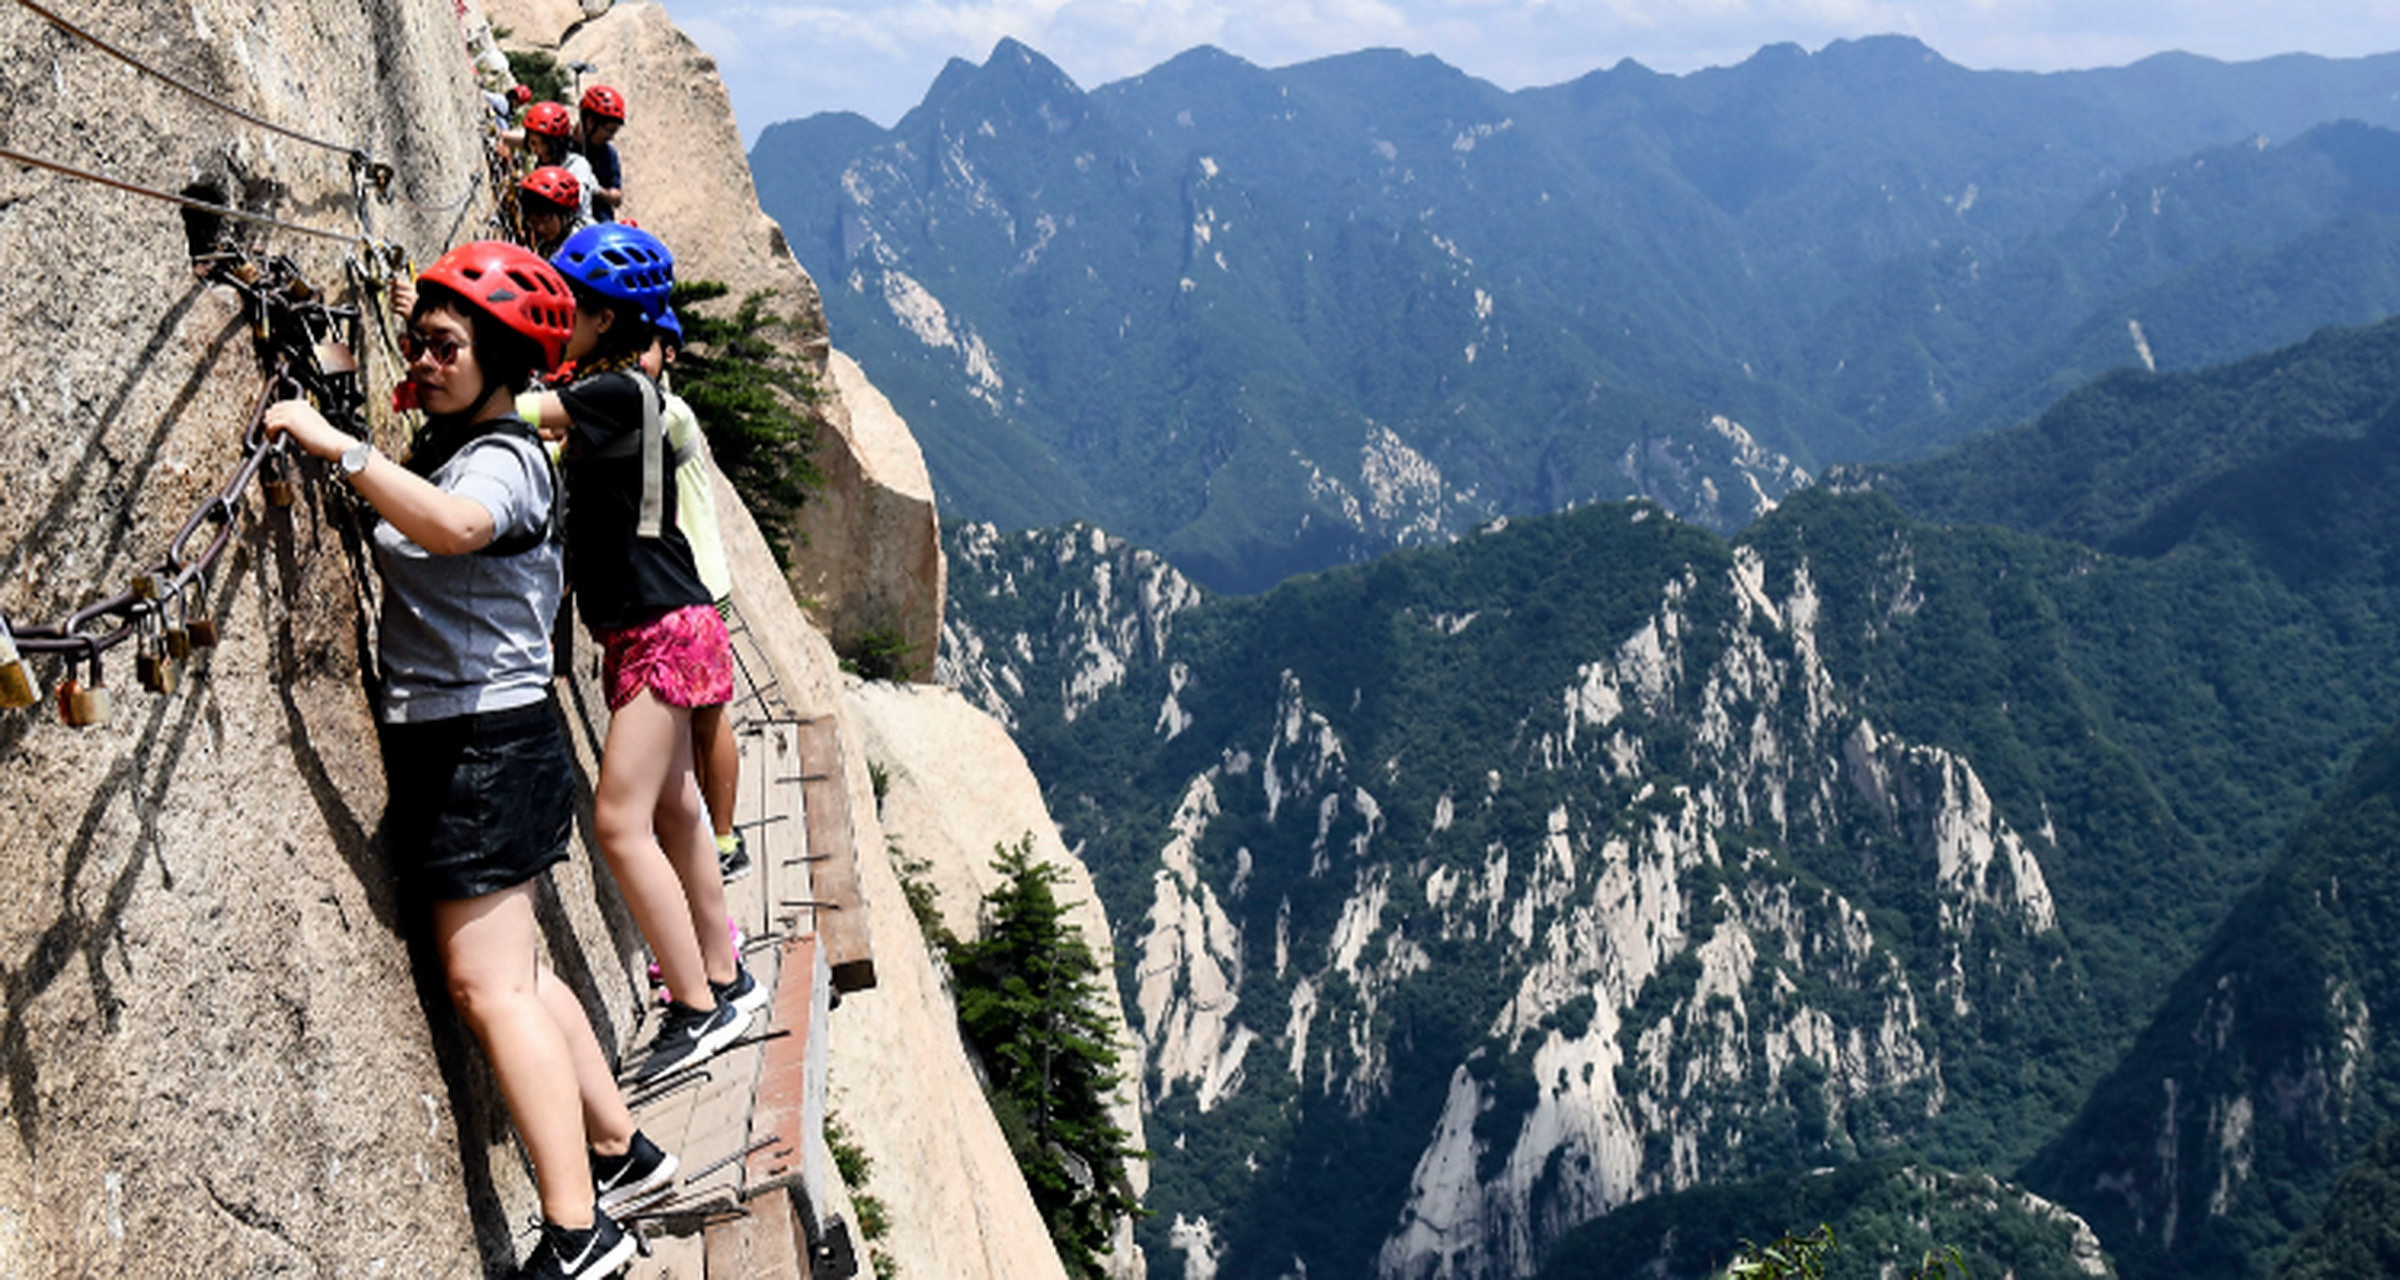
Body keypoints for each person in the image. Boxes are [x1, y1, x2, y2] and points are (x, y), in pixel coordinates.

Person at [263, 242, 673, 1280]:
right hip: (495, 732)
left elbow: (454, 526)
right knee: (523, 970)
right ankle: (623, 1151)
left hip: (477, 743)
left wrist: (334, 447)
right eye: (422, 341)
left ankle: (579, 1231)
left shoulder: (499, 459)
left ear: (500, 360)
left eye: (447, 345)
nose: (425, 358)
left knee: (487, 986)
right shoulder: (466, 436)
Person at [526, 223, 767, 1081]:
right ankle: (728, 977)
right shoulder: (633, 393)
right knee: (672, 811)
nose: (560, 321)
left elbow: (519, 412)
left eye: (569, 310)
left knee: (620, 824)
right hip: (670, 622)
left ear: (601, 315)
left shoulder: (618, 391)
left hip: (660, 626)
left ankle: (696, 1006)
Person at [648, 310, 747, 881]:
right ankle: (722, 837)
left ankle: (725, 838)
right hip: (701, 578)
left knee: (708, 719)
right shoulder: (661, 406)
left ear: (671, 353)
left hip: (697, 585)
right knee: (707, 717)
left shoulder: (669, 411)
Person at [523, 101, 599, 226]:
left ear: (559, 143)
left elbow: (574, 202)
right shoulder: (540, 166)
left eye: (546, 144)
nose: (540, 150)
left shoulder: (578, 165)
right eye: (533, 143)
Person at [576, 85, 628, 223]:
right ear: (590, 122)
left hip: (600, 225)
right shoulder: (562, 144)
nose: (611, 137)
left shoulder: (608, 155)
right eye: (609, 131)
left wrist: (597, 190)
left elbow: (617, 197)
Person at [518, 165, 590, 258]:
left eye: (545, 220)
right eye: (533, 222)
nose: (540, 228)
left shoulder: (585, 245)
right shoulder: (547, 246)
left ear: (565, 214)